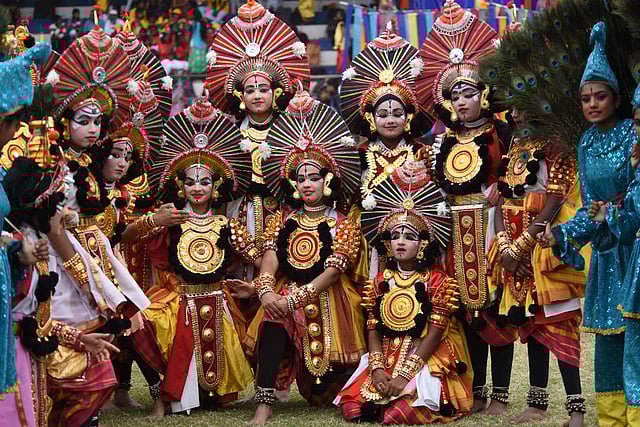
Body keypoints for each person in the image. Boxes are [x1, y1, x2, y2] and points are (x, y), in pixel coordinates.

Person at [227, 89, 366, 425]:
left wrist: (294, 300)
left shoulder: (341, 223)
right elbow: (271, 258)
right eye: (300, 178)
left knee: (323, 394)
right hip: (287, 292)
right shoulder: (283, 219)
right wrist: (266, 291)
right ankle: (264, 403)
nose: (306, 184)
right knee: (272, 319)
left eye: (313, 177)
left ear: (327, 180)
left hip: (331, 299)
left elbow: (333, 272)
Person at [43, 23, 152, 427]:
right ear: (64, 120)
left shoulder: (87, 162)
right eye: (83, 120)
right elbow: (54, 222)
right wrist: (79, 268)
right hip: (58, 257)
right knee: (65, 335)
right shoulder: (53, 161)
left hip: (89, 253)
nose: (92, 129)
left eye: (98, 122)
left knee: (105, 326)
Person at [414, 0, 513, 414]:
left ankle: (501, 394)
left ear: (483, 94)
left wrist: (503, 187)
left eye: (469, 93)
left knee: (496, 307)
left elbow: (518, 172)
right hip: (455, 230)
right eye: (455, 95)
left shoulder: (502, 132)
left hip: (492, 227)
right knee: (466, 310)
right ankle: (476, 389)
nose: (462, 101)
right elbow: (435, 186)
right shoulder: (444, 141)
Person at [537, 21, 637, 427]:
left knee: (635, 341)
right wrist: (561, 233)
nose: (593, 104)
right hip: (608, 255)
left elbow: (632, 198)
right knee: (609, 340)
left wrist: (609, 213)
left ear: (617, 98)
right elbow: (591, 206)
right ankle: (612, 419)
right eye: (585, 99)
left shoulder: (632, 133)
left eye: (600, 96)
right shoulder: (586, 142)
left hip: (634, 248)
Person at [132, 93, 256, 416]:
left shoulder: (226, 224)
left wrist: (259, 285)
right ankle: (162, 392)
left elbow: (258, 256)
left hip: (218, 301)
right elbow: (132, 237)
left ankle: (202, 394)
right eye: (190, 182)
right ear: (181, 186)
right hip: (180, 300)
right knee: (144, 321)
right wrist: (154, 221)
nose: (197, 188)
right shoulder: (172, 221)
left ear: (215, 187)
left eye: (204, 182)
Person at [334, 159, 473, 424]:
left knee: (396, 415)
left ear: (423, 244)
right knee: (353, 410)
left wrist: (405, 375)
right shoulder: (379, 281)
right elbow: (373, 328)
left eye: (409, 237)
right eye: (395, 236)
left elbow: (435, 334)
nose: (400, 242)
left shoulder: (437, 281)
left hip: (425, 355)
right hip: (387, 353)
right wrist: (376, 368)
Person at [206, 0, 311, 325]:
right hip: (239, 210)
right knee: (237, 274)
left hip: (282, 210)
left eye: (263, 88)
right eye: (249, 89)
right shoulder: (229, 132)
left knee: (280, 267)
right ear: (240, 96)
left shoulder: (290, 129)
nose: (257, 95)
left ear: (275, 93)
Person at [339, 24, 434, 283]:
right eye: (382, 114)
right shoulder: (359, 155)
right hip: (364, 242)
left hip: (410, 242)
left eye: (397, 113)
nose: (390, 120)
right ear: (371, 119)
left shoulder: (422, 154)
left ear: (408, 118)